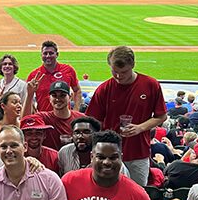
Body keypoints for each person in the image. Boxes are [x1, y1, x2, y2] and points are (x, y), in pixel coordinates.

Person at [86, 46, 167, 186]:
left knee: (138, 192)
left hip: (138, 153)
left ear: (133, 65)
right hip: (108, 154)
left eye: (123, 72)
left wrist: (140, 128)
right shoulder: (104, 89)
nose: (118, 76)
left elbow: (161, 116)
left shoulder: (150, 85)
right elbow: (93, 122)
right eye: (114, 71)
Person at [25, 41, 82, 113]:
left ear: (57, 54)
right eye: (45, 53)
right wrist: (34, 112)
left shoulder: (68, 70)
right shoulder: (34, 75)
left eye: (51, 53)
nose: (48, 56)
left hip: (64, 117)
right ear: (41, 55)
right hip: (44, 118)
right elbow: (28, 97)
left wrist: (76, 110)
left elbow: (77, 90)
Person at [32, 81, 86, 150]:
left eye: (62, 95)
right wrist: (30, 95)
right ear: (49, 98)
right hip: (50, 160)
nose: (58, 99)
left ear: (70, 97)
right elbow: (25, 122)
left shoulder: (81, 118)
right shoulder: (43, 117)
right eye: (54, 95)